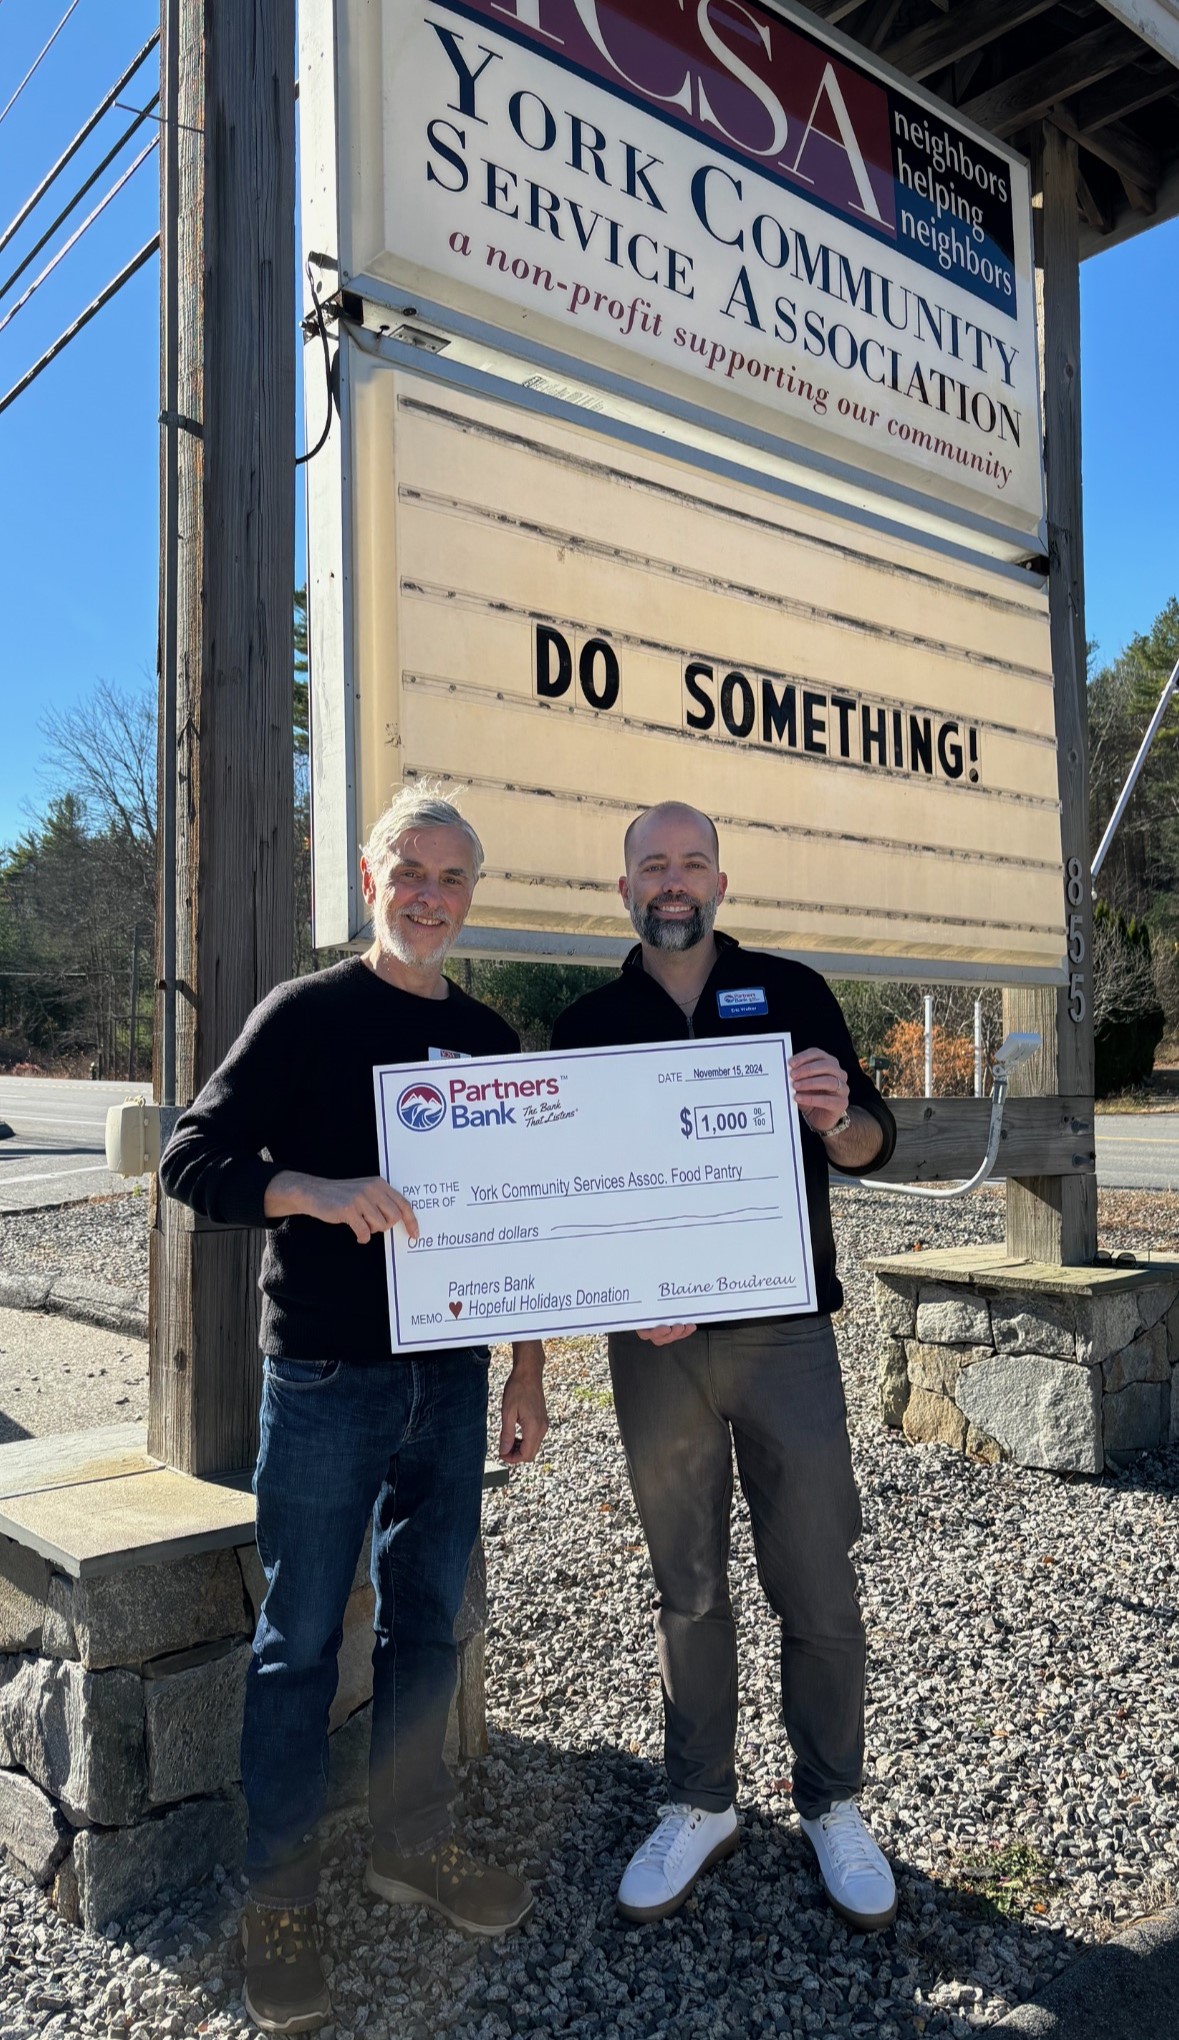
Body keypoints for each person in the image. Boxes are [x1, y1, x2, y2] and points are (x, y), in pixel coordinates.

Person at [160, 785, 547, 2036]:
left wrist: (529, 1370)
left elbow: (522, 1224)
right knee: (300, 1639)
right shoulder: (306, 1015)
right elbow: (190, 1160)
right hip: (328, 1373)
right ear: (370, 880)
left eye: (452, 878)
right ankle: (279, 1900)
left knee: (427, 1621)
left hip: (452, 1373)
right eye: (409, 873)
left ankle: (409, 1844)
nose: (430, 896)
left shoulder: (487, 1038)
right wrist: (315, 1191)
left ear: (471, 896)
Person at [551, 801, 897, 1932]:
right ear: (624, 890)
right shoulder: (587, 1025)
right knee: (686, 1582)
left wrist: (837, 1118)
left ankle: (832, 1801)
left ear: (719, 883)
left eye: (691, 862)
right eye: (652, 864)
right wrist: (620, 1290)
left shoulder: (792, 992)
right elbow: (569, 1198)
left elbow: (869, 1138)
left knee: (817, 1572)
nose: (673, 880)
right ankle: (700, 1799)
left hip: (783, 1332)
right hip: (654, 1350)